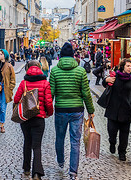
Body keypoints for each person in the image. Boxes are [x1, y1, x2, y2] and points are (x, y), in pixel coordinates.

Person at [49, 42, 94, 180]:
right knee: (75, 141)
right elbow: (86, 93)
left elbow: (50, 93)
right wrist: (90, 110)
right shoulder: (80, 71)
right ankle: (73, 173)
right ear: (73, 55)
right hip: (77, 111)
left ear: (61, 55)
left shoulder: (55, 71)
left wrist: (46, 109)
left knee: (60, 137)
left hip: (61, 110)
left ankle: (61, 161)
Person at [14, 62, 53, 180]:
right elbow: (48, 102)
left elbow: (16, 99)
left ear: (27, 69)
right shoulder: (45, 83)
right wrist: (49, 113)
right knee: (37, 145)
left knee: (27, 142)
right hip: (39, 118)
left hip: (25, 118)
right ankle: (37, 173)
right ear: (40, 69)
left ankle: (26, 168)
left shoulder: (24, 82)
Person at [103, 58, 131, 161]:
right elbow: (105, 84)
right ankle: (112, 143)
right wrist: (106, 80)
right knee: (112, 132)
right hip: (113, 110)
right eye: (128, 66)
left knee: (124, 134)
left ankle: (122, 152)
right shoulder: (115, 76)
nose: (130, 68)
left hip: (126, 110)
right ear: (122, 66)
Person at [0, 49, 16, 133]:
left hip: (5, 88)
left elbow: (13, 80)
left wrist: (10, 88)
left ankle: (2, 124)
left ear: (5, 56)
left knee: (3, 109)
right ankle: (0, 118)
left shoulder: (9, 66)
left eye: (1, 54)